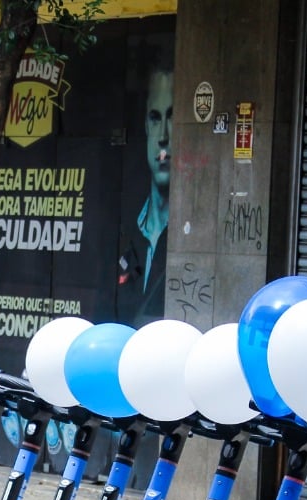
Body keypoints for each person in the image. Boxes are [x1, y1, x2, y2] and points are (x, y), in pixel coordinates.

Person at [115, 60, 173, 325]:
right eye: (156, 117)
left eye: (173, 116)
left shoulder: (185, 234)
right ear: (146, 126)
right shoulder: (124, 227)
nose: (164, 136)